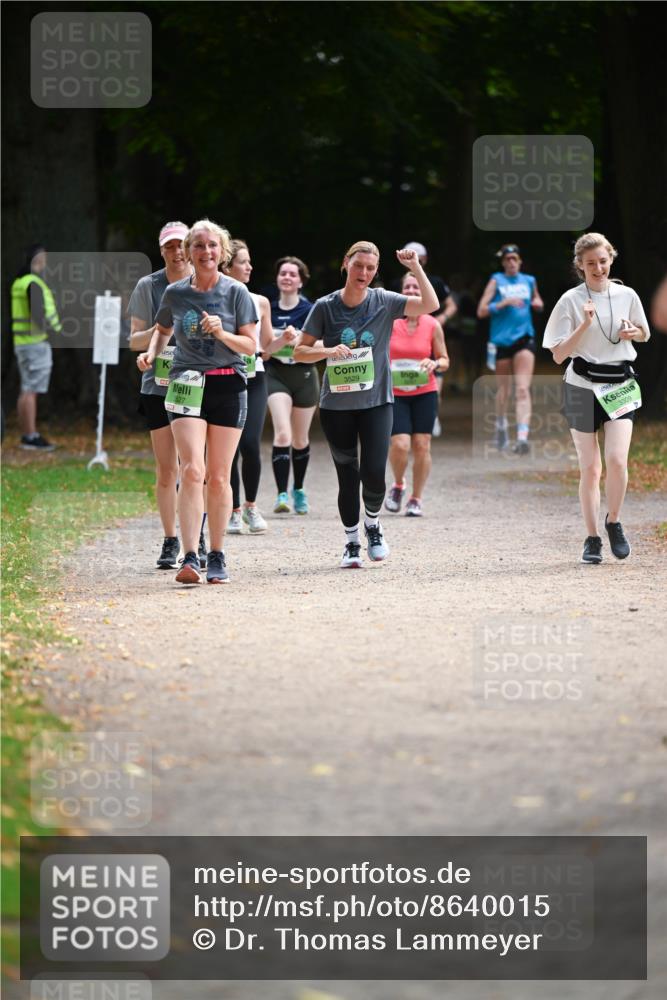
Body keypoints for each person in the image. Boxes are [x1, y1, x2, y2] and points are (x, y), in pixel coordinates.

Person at [294, 242, 438, 568]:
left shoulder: (384, 301)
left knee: (374, 473)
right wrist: (327, 352)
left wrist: (414, 267)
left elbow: (430, 304)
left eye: (370, 268)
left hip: (376, 402)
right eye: (358, 266)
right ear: (346, 263)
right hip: (336, 406)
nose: (364, 273)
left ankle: (372, 524)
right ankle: (350, 543)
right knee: (347, 475)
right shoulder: (325, 306)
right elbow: (299, 352)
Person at [137, 219, 258, 584]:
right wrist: (152, 354)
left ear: (222, 252)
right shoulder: (174, 293)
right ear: (189, 252)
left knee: (219, 476)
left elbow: (251, 346)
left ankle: (217, 554)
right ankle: (190, 556)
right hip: (186, 383)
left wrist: (223, 333)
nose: (206, 252)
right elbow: (162, 331)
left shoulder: (237, 292)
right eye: (199, 246)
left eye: (212, 246)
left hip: (227, 385)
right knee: (192, 469)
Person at [543, 232, 650, 564]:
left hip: (620, 384)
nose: (599, 268)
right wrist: (584, 324)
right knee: (590, 468)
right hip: (580, 386)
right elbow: (559, 355)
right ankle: (592, 539)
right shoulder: (570, 301)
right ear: (580, 265)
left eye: (603, 261)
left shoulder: (627, 294)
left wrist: (634, 332)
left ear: (611, 259)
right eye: (591, 264)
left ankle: (614, 521)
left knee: (617, 460)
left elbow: (644, 333)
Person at [129, 221, 200, 569]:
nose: (176, 252)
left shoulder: (202, 283)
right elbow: (133, 340)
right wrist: (158, 334)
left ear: (189, 247)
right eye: (169, 247)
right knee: (165, 469)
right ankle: (171, 538)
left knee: (193, 466)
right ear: (161, 251)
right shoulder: (149, 285)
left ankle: (195, 535)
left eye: (180, 246)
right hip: (156, 386)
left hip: (194, 384)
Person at [385, 271, 449, 517]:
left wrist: (435, 364)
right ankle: (399, 484)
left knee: (422, 444)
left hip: (425, 391)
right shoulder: (389, 321)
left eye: (416, 288)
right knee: (400, 445)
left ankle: (416, 498)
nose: (412, 291)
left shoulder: (433, 324)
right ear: (401, 292)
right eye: (407, 287)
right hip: (396, 392)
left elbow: (444, 359)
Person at [222, 240, 273, 534]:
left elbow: (265, 348)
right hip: (226, 375)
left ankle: (251, 508)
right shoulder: (215, 300)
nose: (250, 267)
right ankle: (233, 510)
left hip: (255, 378)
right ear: (227, 267)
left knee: (250, 443)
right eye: (243, 262)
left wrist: (283, 341)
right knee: (228, 449)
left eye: (250, 261)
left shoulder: (261, 302)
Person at [263, 256, 319, 514]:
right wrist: (279, 341)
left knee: (299, 438)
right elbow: (262, 350)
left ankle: (299, 489)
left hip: (305, 375)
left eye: (292, 274)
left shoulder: (310, 311)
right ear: (277, 279)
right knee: (282, 433)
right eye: (283, 273)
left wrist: (296, 344)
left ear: (300, 281)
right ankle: (281, 494)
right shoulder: (267, 309)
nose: (287, 277)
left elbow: (321, 345)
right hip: (275, 374)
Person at [477, 244, 544, 453]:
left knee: (522, 388)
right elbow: (481, 311)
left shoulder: (529, 280)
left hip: (524, 339)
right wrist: (502, 303)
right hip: (501, 342)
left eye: (515, 258)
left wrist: (537, 304)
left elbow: (538, 300)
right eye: (507, 259)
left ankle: (522, 438)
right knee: (504, 390)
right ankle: (501, 425)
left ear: (520, 261)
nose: (511, 262)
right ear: (503, 262)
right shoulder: (497, 280)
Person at [400, 242, 457, 436]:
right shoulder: (398, 287)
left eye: (418, 256)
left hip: (427, 335)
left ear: (424, 259)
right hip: (400, 363)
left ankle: (431, 415)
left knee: (434, 388)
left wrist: (442, 318)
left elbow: (451, 305)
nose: (411, 291)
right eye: (407, 288)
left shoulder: (435, 281)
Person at [11, 244, 62, 450]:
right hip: (35, 343)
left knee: (26, 389)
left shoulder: (19, 282)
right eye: (44, 258)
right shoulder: (33, 283)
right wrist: (52, 330)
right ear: (37, 260)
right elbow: (38, 315)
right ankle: (31, 435)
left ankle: (26, 435)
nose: (46, 262)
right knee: (31, 391)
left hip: (22, 343)